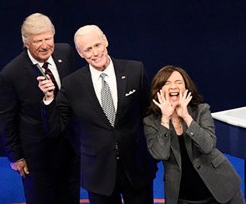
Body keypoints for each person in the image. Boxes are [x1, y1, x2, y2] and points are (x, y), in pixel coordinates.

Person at [37, 25, 157, 204]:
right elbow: (55, 128)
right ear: (80, 53)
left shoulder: (134, 71)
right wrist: (48, 99)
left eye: (97, 45)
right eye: (88, 49)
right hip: (98, 171)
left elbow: (147, 112)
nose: (95, 53)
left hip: (136, 165)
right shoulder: (71, 85)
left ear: (106, 42)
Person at [0, 13, 80, 204]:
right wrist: (15, 156)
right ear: (26, 43)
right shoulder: (11, 74)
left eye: (48, 38)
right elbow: (7, 118)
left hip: (69, 149)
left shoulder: (65, 53)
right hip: (37, 156)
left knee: (70, 197)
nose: (45, 45)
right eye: (37, 41)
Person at [143, 65, 245, 204]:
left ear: (186, 88)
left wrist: (186, 116)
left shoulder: (201, 110)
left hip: (222, 189)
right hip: (183, 196)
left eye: (178, 82)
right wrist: (165, 119)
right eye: (167, 83)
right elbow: (160, 154)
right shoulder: (151, 121)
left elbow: (208, 146)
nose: (173, 86)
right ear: (159, 90)